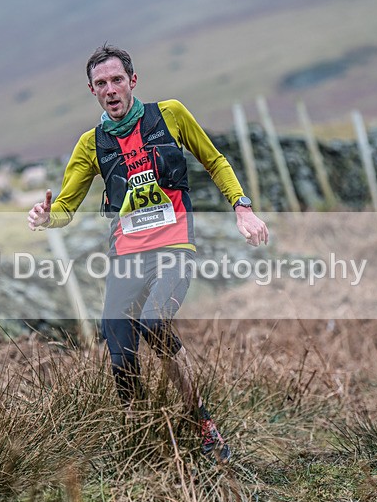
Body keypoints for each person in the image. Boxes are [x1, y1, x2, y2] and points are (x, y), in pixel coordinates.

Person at [28, 44, 268, 462]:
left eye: (117, 80)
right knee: (119, 346)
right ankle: (143, 438)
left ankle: (201, 422)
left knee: (154, 322)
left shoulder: (170, 114)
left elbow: (214, 161)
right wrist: (48, 217)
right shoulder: (91, 144)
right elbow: (66, 206)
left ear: (132, 81)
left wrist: (241, 207)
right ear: (92, 91)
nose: (110, 89)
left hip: (174, 247)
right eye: (101, 84)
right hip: (126, 255)